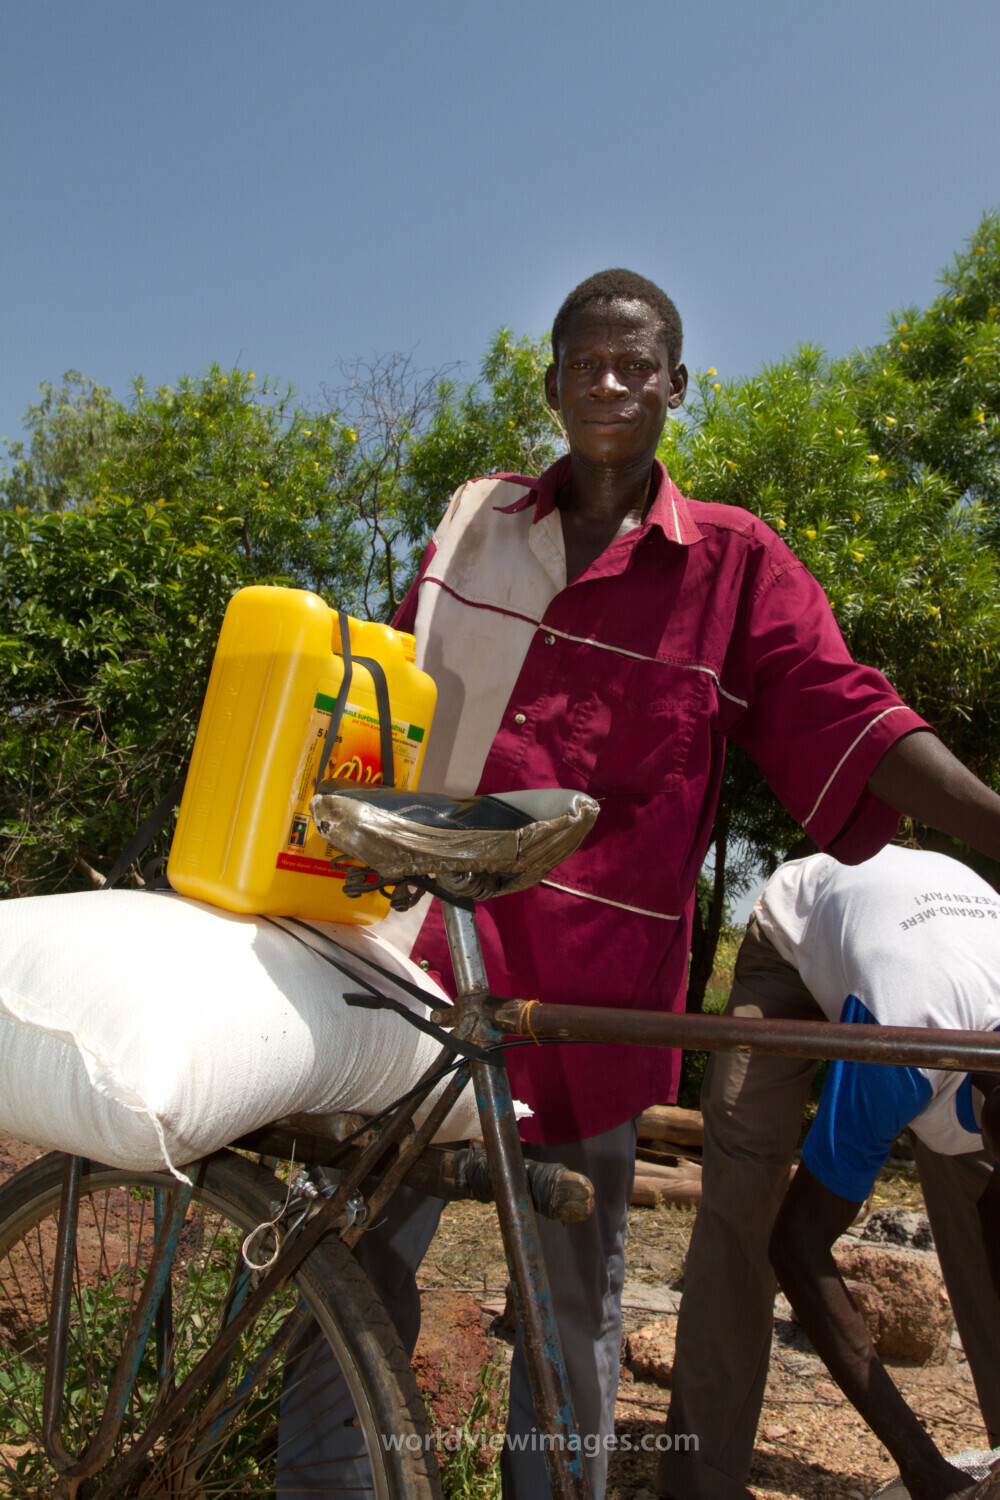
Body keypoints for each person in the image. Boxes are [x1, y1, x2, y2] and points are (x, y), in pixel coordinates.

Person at [279, 268, 1000, 1499]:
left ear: (675, 385)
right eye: (584, 363)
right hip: (418, 958)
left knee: (570, 1319)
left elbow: (849, 713)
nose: (608, 384)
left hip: (595, 1007)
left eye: (635, 365)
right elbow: (382, 706)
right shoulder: (474, 530)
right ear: (553, 383)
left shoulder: (733, 567)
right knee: (357, 1258)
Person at [662, 847, 1000, 1500]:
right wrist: (923, 1466)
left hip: (926, 946)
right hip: (801, 931)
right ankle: (700, 1484)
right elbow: (798, 1247)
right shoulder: (902, 1051)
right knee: (747, 1202)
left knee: (978, 1197)